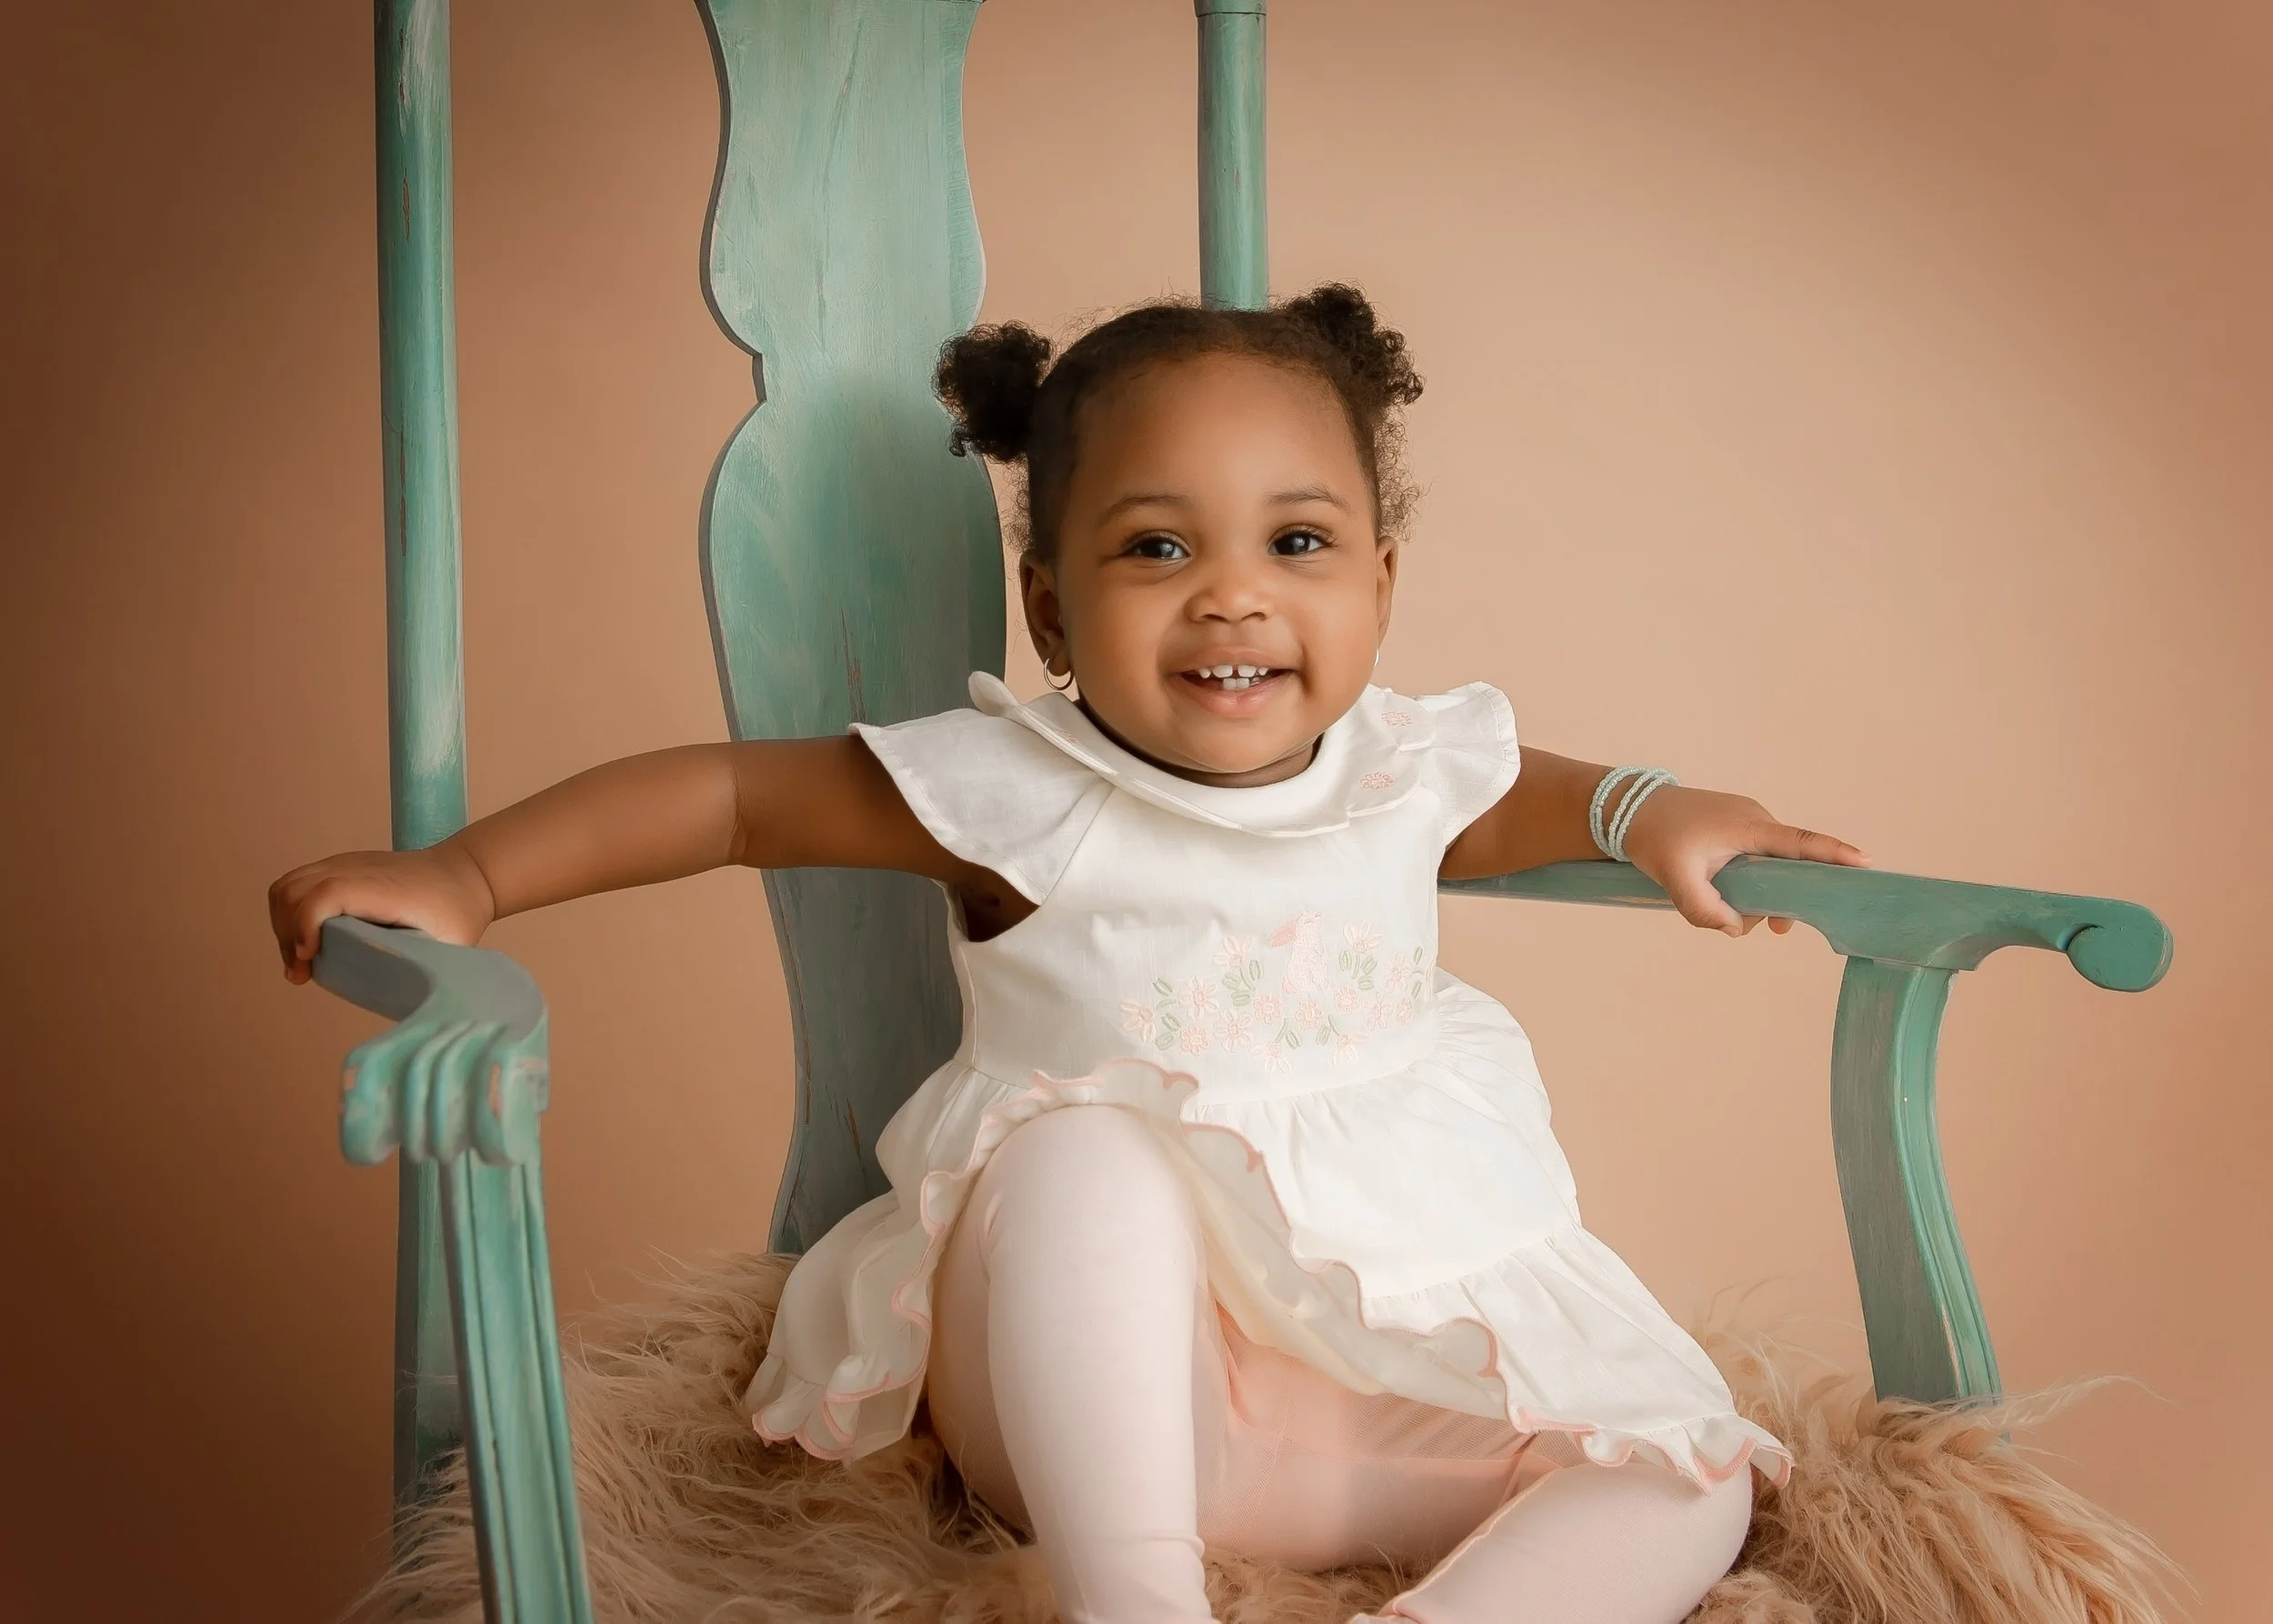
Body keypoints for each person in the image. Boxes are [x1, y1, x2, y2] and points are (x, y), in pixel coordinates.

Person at [269, 286, 1868, 1624]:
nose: (1234, 590)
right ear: (1049, 605)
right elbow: (736, 796)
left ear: (1383, 585)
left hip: (1338, 1402)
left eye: (1299, 542)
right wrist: (468, 871)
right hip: (1094, 1405)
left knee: (1688, 1471)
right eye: (1156, 549)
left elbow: (1528, 796)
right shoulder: (1024, 793)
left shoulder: (1399, 768)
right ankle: (1135, 1606)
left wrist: (1657, 811)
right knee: (1090, 1150)